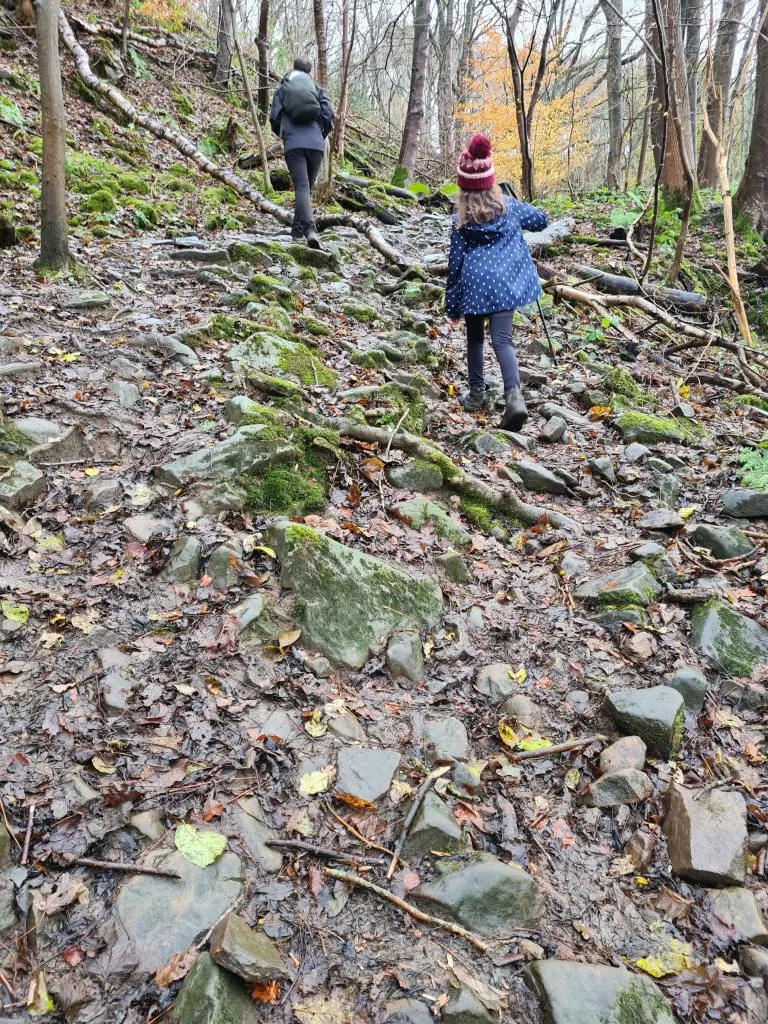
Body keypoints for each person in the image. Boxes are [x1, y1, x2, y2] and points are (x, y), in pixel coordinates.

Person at [445, 133, 548, 432]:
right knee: (503, 342)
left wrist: (452, 307)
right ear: (491, 182)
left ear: (463, 188)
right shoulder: (510, 207)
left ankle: (476, 395)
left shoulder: (460, 219)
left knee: (475, 339)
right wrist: (514, 198)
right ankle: (514, 399)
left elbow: (455, 264)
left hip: (475, 285)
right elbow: (541, 220)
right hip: (505, 284)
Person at [269, 57, 334, 249]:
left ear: (293, 69)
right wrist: (320, 134)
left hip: (294, 144)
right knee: (306, 189)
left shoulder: (284, 88)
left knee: (302, 188)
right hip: (316, 144)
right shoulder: (316, 89)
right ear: (310, 73)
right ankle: (297, 232)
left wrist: (283, 133)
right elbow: (327, 115)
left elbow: (274, 116)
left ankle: (310, 230)